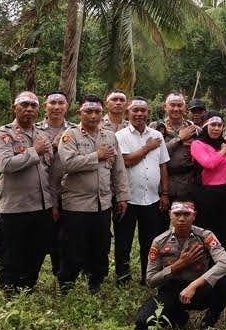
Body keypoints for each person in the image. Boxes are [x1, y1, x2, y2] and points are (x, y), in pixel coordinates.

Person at [57, 94, 129, 293]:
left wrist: (122, 196)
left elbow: (119, 169)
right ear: (80, 112)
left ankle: (95, 282)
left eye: (97, 111)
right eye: (88, 111)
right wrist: (96, 156)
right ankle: (66, 286)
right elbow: (68, 163)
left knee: (100, 246)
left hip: (103, 203)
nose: (93, 115)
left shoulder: (109, 136)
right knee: (73, 247)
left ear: (102, 113)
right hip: (76, 204)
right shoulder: (70, 136)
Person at [0, 91, 58, 295]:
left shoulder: (42, 135)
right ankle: (9, 292)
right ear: (15, 108)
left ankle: (28, 288)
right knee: (12, 253)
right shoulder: (4, 134)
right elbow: (6, 164)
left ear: (38, 110)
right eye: (24, 105)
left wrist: (53, 202)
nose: (29, 109)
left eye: (33, 106)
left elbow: (50, 169)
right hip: (15, 207)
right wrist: (34, 151)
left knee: (36, 251)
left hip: (41, 206)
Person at [134, 201, 226, 330]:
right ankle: (178, 316)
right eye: (177, 214)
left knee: (225, 282)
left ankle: (209, 321)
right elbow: (151, 280)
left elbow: (225, 264)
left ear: (194, 216)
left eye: (186, 214)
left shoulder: (205, 236)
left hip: (198, 290)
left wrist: (194, 285)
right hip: (170, 291)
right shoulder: (159, 241)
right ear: (170, 215)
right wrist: (178, 265)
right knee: (142, 324)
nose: (181, 218)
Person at [113, 96, 169, 285]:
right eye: (135, 110)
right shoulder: (120, 136)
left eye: (143, 110)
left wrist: (164, 193)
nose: (139, 113)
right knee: (123, 240)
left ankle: (148, 276)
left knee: (150, 241)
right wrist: (147, 147)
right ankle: (122, 276)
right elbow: (126, 161)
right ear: (128, 113)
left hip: (152, 199)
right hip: (127, 198)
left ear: (148, 113)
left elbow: (163, 166)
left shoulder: (157, 135)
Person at [37, 90, 73, 274]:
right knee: (45, 236)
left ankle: (63, 275)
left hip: (70, 193)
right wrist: (53, 146)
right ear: (45, 106)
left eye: (61, 103)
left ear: (67, 106)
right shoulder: (35, 130)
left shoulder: (74, 130)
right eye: (53, 103)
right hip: (41, 192)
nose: (57, 107)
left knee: (67, 238)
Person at [190, 112, 226, 249]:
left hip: (225, 192)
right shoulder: (197, 144)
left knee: (224, 230)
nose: (216, 128)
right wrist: (222, 152)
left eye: (219, 125)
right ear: (205, 126)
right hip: (206, 193)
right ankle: (204, 264)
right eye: (212, 125)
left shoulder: (224, 144)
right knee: (205, 230)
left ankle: (221, 263)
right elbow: (208, 164)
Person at [157, 93, 199, 202]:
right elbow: (157, 153)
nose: (176, 109)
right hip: (163, 184)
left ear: (185, 108)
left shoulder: (194, 129)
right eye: (172, 105)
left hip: (187, 184)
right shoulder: (156, 128)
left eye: (180, 105)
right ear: (165, 107)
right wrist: (179, 139)